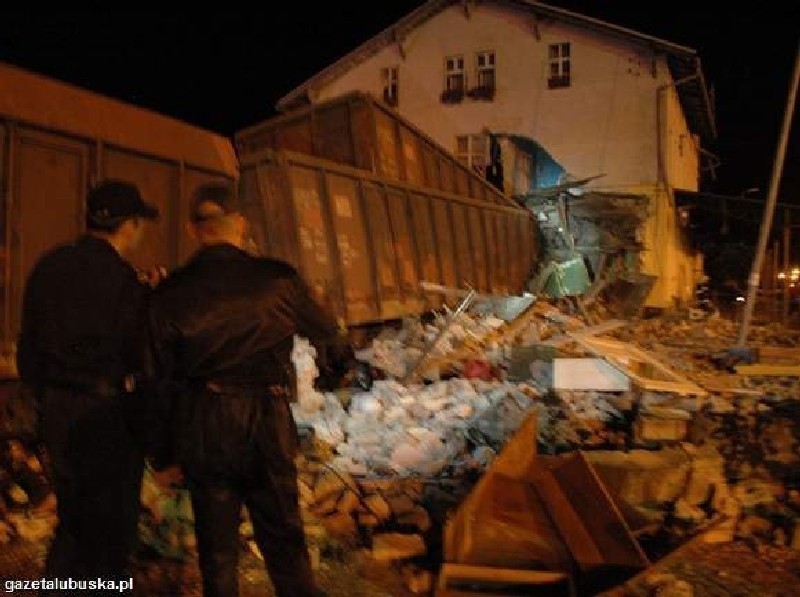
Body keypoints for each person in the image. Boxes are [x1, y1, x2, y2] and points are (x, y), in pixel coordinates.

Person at [146, 182, 353, 597]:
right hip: (267, 418)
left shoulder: (170, 292)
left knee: (217, 553)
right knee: (284, 540)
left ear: (192, 229)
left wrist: (165, 453)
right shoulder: (279, 280)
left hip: (206, 422)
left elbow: (157, 379)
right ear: (240, 224)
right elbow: (331, 338)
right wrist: (332, 378)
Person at [17, 179, 159, 584]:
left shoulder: (49, 266)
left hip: (59, 412)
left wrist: (47, 399)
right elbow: (142, 359)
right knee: (112, 533)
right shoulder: (126, 282)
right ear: (129, 225)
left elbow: (29, 350)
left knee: (74, 521)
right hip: (107, 417)